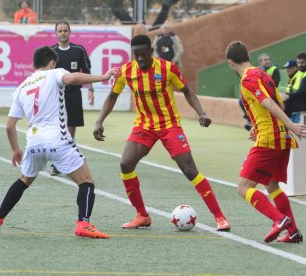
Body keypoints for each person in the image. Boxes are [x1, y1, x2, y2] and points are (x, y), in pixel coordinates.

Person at [93, 34, 230, 231]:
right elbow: (112, 96)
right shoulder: (126, 72)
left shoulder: (167, 68)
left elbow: (187, 91)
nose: (139, 59)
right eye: (136, 55)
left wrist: (201, 113)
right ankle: (141, 215)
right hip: (144, 126)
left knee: (190, 170)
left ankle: (220, 217)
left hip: (169, 125)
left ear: (151, 51)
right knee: (125, 164)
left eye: (143, 54)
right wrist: (99, 121)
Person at [0, 46, 119, 238]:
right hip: (57, 140)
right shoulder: (55, 73)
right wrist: (104, 77)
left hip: (33, 143)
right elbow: (71, 79)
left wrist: (15, 150)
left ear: (34, 63)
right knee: (86, 182)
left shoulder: (22, 87)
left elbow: (9, 126)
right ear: (52, 62)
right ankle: (83, 224)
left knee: (23, 182)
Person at [225, 41, 306, 243]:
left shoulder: (248, 80)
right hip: (281, 138)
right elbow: (278, 100)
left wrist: (291, 124)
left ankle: (279, 220)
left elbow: (268, 102)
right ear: (248, 56)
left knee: (244, 187)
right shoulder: (263, 74)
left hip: (270, 139)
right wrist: (258, 125)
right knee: (272, 186)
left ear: (230, 62)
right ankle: (293, 231)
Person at [50, 21, 94, 176]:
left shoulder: (78, 50)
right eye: (60, 31)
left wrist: (91, 90)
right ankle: (57, 163)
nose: (63, 33)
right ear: (56, 33)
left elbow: (87, 70)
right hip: (57, 97)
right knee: (58, 130)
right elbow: (46, 75)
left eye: (65, 30)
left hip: (74, 96)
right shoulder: (51, 52)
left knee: (70, 131)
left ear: (70, 32)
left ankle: (67, 162)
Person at [240, 53, 280, 130]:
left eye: (268, 59)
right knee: (241, 101)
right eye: (265, 60)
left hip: (272, 94)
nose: (267, 61)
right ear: (260, 62)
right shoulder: (256, 70)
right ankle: (250, 120)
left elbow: (275, 83)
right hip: (260, 93)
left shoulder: (274, 69)